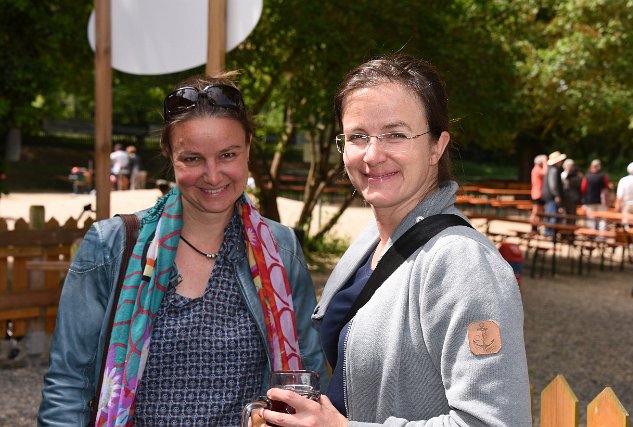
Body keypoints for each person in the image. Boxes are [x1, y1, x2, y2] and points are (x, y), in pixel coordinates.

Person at [38, 73, 327, 426]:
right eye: (192, 158)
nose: (213, 175)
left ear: (249, 147)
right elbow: (68, 385)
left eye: (227, 154)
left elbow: (307, 380)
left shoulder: (280, 249)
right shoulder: (111, 246)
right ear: (169, 153)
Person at [259, 54, 531, 426]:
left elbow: (496, 422)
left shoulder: (463, 262)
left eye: (396, 134)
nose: (373, 155)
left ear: (436, 146)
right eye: (358, 137)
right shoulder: (371, 241)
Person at [541, 150, 566, 237]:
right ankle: (550, 233)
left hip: (548, 196)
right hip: (551, 197)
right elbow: (553, 185)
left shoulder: (549, 169)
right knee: (552, 215)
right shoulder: (554, 170)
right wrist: (557, 195)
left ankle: (547, 232)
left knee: (549, 215)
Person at [581, 158, 610, 230]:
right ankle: (602, 234)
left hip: (589, 200)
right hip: (601, 201)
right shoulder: (603, 176)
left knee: (591, 218)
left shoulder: (587, 176)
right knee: (602, 218)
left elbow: (583, 188)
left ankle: (592, 233)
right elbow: (607, 187)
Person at [560, 158, 583, 223]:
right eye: (569, 165)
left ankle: (571, 228)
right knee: (565, 215)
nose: (571, 167)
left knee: (572, 216)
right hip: (564, 198)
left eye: (572, 166)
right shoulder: (562, 175)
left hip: (573, 199)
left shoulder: (577, 176)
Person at [529, 154, 547, 232]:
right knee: (535, 212)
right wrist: (545, 162)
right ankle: (533, 228)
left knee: (539, 212)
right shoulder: (537, 169)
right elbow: (545, 172)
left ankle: (535, 228)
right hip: (537, 194)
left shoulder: (536, 168)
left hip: (538, 193)